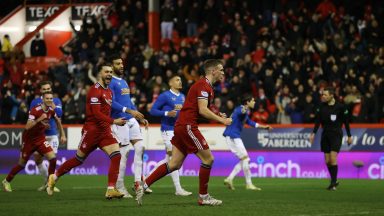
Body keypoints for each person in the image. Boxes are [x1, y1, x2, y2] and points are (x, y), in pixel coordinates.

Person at [136, 59, 232, 206]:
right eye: (221, 69)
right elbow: (202, 110)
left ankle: (142, 185)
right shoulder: (203, 85)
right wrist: (221, 120)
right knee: (208, 159)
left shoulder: (207, 87)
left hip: (182, 125)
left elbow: (198, 111)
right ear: (213, 71)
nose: (223, 72)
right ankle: (203, 197)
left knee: (174, 164)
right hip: (188, 126)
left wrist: (218, 115)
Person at [46, 65, 127, 199]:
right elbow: (96, 113)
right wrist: (114, 121)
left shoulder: (109, 91)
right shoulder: (94, 90)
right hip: (92, 131)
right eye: (106, 72)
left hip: (105, 131)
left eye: (111, 72)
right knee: (78, 159)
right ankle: (54, 177)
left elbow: (108, 109)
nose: (109, 74)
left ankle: (110, 189)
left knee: (116, 155)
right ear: (100, 73)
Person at [2, 92, 64, 192]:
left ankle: (49, 184)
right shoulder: (35, 110)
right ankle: (6, 181)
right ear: (43, 99)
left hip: (40, 140)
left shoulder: (51, 110)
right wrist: (40, 119)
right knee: (21, 164)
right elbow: (27, 126)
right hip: (29, 141)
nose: (49, 100)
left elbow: (58, 119)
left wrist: (62, 134)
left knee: (53, 159)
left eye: (51, 99)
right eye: (47, 98)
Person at [108, 55, 151, 199]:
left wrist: (139, 115)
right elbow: (111, 102)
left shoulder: (125, 82)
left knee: (140, 148)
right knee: (124, 152)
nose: (121, 65)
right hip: (120, 120)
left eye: (122, 63)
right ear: (111, 66)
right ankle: (119, 186)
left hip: (131, 119)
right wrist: (129, 111)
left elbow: (128, 102)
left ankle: (138, 182)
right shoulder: (111, 82)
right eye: (117, 63)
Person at [149, 75, 192, 196]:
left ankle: (144, 181)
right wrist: (167, 113)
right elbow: (152, 110)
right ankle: (178, 189)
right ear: (170, 83)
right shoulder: (165, 96)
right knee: (174, 158)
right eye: (177, 80)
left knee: (168, 160)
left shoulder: (183, 97)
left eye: (180, 80)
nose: (180, 82)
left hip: (177, 130)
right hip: (167, 130)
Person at [223, 94, 272, 191]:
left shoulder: (245, 111)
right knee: (246, 159)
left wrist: (264, 127)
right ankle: (248, 184)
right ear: (247, 102)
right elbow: (241, 111)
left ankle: (230, 179)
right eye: (252, 101)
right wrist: (245, 109)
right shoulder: (241, 109)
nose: (254, 102)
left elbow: (250, 123)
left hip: (232, 137)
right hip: (233, 137)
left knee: (244, 160)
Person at [309, 87, 352, 190]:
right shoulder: (321, 107)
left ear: (331, 96)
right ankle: (334, 180)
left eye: (325, 95)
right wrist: (313, 133)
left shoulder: (341, 107)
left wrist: (349, 135)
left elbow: (346, 122)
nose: (323, 96)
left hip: (336, 134)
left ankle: (333, 182)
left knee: (333, 158)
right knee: (328, 161)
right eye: (322, 94)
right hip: (325, 134)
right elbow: (318, 121)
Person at [30, 81, 64, 192]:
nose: (46, 90)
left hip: (53, 134)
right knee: (37, 158)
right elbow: (31, 119)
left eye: (48, 88)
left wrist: (51, 102)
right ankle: (46, 182)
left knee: (51, 159)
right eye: (44, 89)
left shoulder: (56, 100)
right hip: (39, 136)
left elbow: (59, 114)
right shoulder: (34, 102)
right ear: (41, 90)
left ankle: (51, 184)